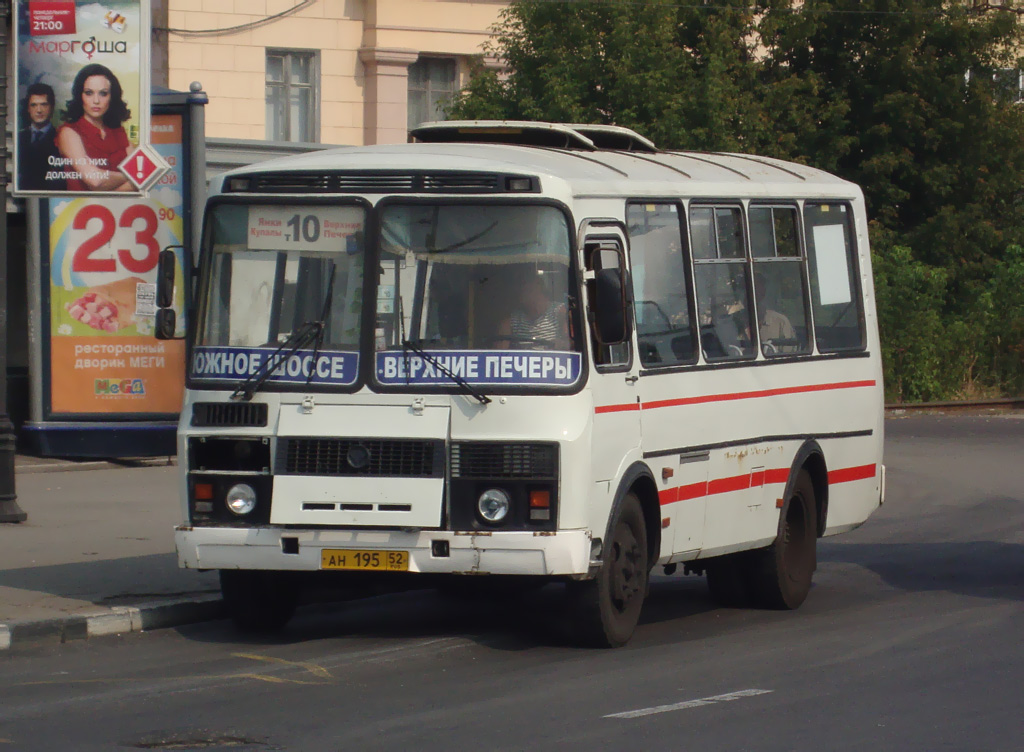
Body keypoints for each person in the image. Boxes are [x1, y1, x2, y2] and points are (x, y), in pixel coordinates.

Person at [56, 63, 133, 191]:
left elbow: (142, 178)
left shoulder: (118, 132)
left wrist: (133, 179)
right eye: (89, 93)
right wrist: (130, 178)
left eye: (103, 93)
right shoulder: (68, 132)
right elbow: (95, 180)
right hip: (76, 210)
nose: (96, 100)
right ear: (80, 96)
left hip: (120, 210)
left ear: (111, 97)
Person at [495, 271, 571, 350]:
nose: (521, 289)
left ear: (539, 285)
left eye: (524, 284)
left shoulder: (559, 311)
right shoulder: (512, 321)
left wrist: (561, 344)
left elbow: (572, 343)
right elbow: (499, 354)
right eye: (519, 286)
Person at [17, 82, 65, 191]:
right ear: (28, 109)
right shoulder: (19, 139)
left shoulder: (62, 139)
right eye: (34, 105)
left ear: (52, 107)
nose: (39, 110)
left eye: (44, 104)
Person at [754, 273, 797, 353]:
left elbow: (790, 357)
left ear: (763, 291)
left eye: (757, 287)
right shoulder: (732, 324)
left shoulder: (780, 322)